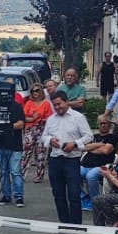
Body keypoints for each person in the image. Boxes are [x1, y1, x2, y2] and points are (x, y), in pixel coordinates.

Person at [40, 93, 92, 225]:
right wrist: (50, 140)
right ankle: (63, 224)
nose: (57, 107)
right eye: (55, 105)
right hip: (55, 159)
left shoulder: (78, 117)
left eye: (59, 104)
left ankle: (76, 225)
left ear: (66, 102)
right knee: (58, 194)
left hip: (71, 160)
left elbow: (88, 136)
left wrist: (74, 144)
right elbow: (43, 137)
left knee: (74, 194)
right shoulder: (51, 119)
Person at [0, 87, 28, 208]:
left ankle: (19, 196)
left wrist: (6, 126)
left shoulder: (16, 106)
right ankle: (6, 195)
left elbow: (21, 124)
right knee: (3, 172)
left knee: (15, 172)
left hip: (14, 145)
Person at [81, 115, 118, 214]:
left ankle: (96, 201)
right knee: (71, 173)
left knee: (91, 176)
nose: (103, 125)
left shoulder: (113, 137)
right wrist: (101, 144)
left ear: (109, 124)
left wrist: (92, 148)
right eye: (101, 123)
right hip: (85, 164)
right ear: (98, 125)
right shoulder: (93, 137)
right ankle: (85, 198)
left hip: (102, 166)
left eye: (105, 123)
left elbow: (106, 150)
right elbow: (84, 147)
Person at [19, 85, 53, 193]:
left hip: (41, 130)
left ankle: (39, 175)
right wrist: (32, 118)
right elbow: (23, 117)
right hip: (30, 129)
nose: (35, 93)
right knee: (26, 152)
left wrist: (41, 119)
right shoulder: (28, 103)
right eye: (33, 91)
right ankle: (22, 174)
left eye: (37, 91)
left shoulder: (46, 104)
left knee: (40, 154)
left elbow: (50, 118)